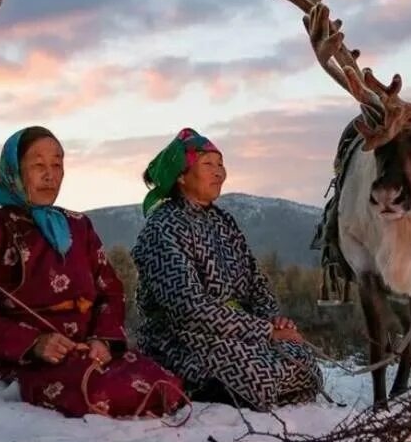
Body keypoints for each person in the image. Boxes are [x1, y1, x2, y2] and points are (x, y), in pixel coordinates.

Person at [0, 126, 183, 418]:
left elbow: (109, 289)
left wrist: (102, 339)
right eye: (38, 165)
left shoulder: (78, 226)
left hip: (89, 352)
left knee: (166, 383)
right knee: (102, 393)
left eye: (57, 165)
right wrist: (34, 344)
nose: (50, 175)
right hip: (27, 360)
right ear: (13, 170)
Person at [131, 128, 323, 411]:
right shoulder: (163, 228)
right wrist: (264, 331)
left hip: (236, 329)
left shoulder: (224, 222)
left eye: (220, 164)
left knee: (302, 359)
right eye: (208, 165)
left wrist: (274, 321)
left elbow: (256, 283)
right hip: (182, 336)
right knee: (259, 376)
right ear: (182, 176)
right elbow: (189, 310)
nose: (219, 172)